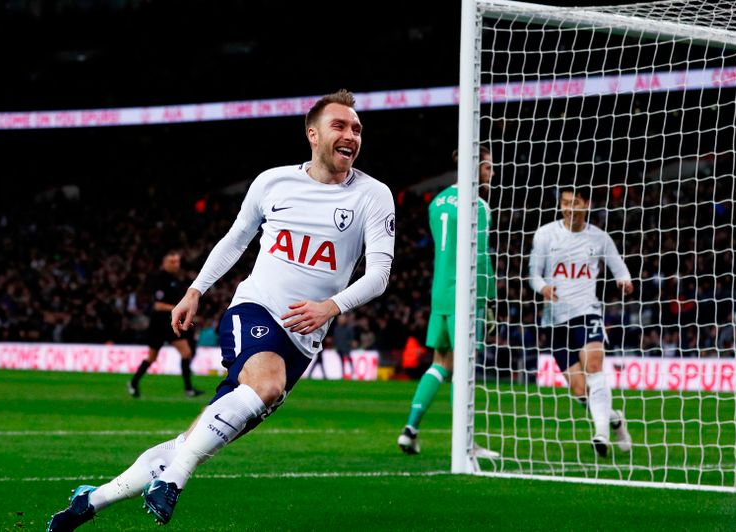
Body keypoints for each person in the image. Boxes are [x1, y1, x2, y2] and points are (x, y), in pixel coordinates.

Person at [47, 89, 395, 531]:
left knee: (194, 439)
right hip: (256, 309)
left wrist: (330, 306)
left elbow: (379, 273)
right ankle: (173, 481)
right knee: (265, 385)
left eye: (357, 129)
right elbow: (235, 239)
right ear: (312, 133)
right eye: (340, 126)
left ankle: (89, 502)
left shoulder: (373, 195)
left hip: (303, 340)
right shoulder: (273, 182)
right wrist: (195, 290)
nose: (351, 135)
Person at [398, 145, 499, 459]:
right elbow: (480, 258)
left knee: (440, 363)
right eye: (487, 168)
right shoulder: (477, 205)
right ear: (474, 168)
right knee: (463, 368)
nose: (491, 174)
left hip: (440, 292)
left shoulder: (438, 201)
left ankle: (410, 430)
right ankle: (466, 441)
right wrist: (490, 299)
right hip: (466, 295)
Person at [528, 184, 634, 457]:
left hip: (588, 311)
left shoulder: (599, 238)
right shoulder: (545, 235)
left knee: (594, 366)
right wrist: (543, 289)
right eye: (565, 202)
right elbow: (533, 275)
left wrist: (625, 281)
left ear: (586, 205)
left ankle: (600, 433)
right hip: (555, 318)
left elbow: (619, 267)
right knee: (578, 389)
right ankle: (614, 419)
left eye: (575, 203)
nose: (569, 209)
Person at [128, 250, 203, 398]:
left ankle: (188, 389)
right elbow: (157, 305)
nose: (176, 265)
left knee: (186, 352)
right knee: (152, 357)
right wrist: (177, 309)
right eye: (172, 262)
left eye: (177, 262)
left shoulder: (175, 280)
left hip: (170, 323)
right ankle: (133, 383)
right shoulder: (159, 279)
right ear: (164, 263)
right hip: (159, 324)